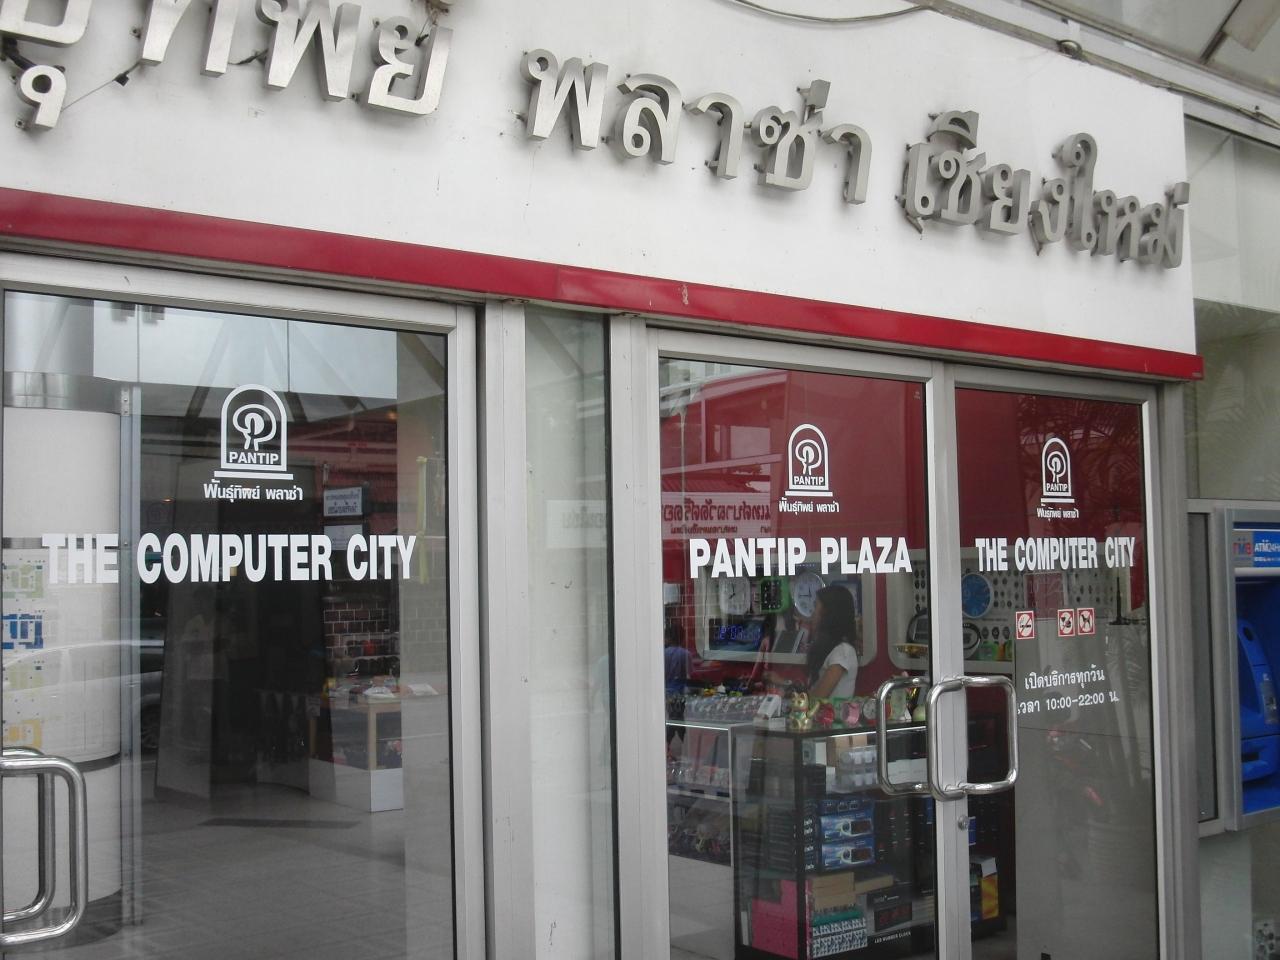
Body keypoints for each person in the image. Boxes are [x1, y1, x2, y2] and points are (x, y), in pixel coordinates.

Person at [806, 585, 861, 698]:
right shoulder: (829, 648)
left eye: (816, 606)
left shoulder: (843, 651)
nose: (812, 613)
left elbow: (818, 697)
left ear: (828, 613)